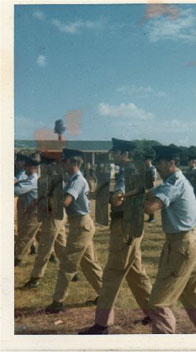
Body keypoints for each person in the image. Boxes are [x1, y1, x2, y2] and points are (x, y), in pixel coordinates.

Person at [79, 138, 152, 334]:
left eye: (116, 153)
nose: (113, 156)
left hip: (124, 228)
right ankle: (155, 314)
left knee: (111, 274)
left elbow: (118, 199)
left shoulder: (126, 172)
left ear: (124, 154)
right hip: (133, 226)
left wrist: (109, 195)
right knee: (136, 273)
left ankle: (102, 324)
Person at [144, 145, 196, 334]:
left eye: (160, 162)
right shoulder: (177, 180)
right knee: (193, 294)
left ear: (171, 163)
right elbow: (153, 192)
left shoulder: (173, 184)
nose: (157, 166)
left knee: (158, 303)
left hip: (182, 245)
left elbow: (151, 207)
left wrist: (136, 202)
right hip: (194, 240)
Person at [45, 148, 103, 314]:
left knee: (67, 264)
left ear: (74, 163)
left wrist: (49, 204)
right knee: (89, 264)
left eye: (65, 161)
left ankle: (58, 302)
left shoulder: (77, 180)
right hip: (81, 224)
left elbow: (66, 201)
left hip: (81, 225)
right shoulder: (72, 179)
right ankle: (105, 295)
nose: (62, 164)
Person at [22, 152, 68, 289]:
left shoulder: (58, 177)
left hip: (54, 215)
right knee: (61, 245)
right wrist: (35, 202)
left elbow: (56, 197)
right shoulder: (47, 176)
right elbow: (44, 194)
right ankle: (72, 271)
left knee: (44, 246)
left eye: (44, 163)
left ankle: (35, 277)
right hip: (53, 215)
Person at [14, 154, 42, 267]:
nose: (24, 168)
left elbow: (17, 191)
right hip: (31, 210)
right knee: (40, 234)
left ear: (32, 168)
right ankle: (52, 255)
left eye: (26, 167)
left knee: (24, 236)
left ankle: (18, 259)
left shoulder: (33, 180)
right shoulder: (30, 179)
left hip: (34, 212)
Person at [144, 154, 157, 224]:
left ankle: (152, 218)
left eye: (147, 161)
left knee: (151, 203)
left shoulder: (153, 169)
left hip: (151, 187)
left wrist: (152, 189)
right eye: (145, 161)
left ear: (150, 161)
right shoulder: (144, 168)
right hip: (145, 187)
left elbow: (154, 179)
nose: (146, 162)